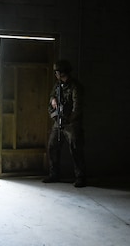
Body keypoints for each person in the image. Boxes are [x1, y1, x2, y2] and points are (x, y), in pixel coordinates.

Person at [42, 59, 87, 187]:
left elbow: (77, 107)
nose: (56, 75)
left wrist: (69, 119)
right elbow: (51, 98)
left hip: (72, 123)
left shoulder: (75, 87)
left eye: (57, 72)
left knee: (76, 149)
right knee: (52, 146)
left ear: (62, 73)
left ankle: (80, 177)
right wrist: (53, 101)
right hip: (59, 121)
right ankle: (54, 174)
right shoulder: (58, 86)